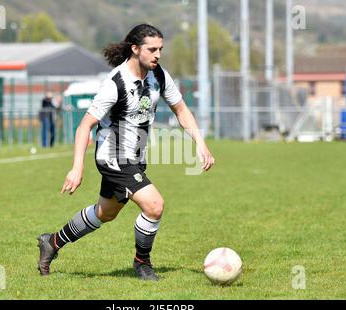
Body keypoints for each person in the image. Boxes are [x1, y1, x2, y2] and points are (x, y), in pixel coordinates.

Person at [37, 24, 215, 281]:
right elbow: (85, 125)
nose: (158, 55)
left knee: (105, 212)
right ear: (135, 49)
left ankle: (51, 242)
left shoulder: (159, 76)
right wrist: (77, 168)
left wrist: (200, 142)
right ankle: (142, 263)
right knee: (154, 205)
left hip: (136, 158)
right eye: (152, 49)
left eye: (160, 49)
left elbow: (181, 110)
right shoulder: (116, 83)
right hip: (113, 157)